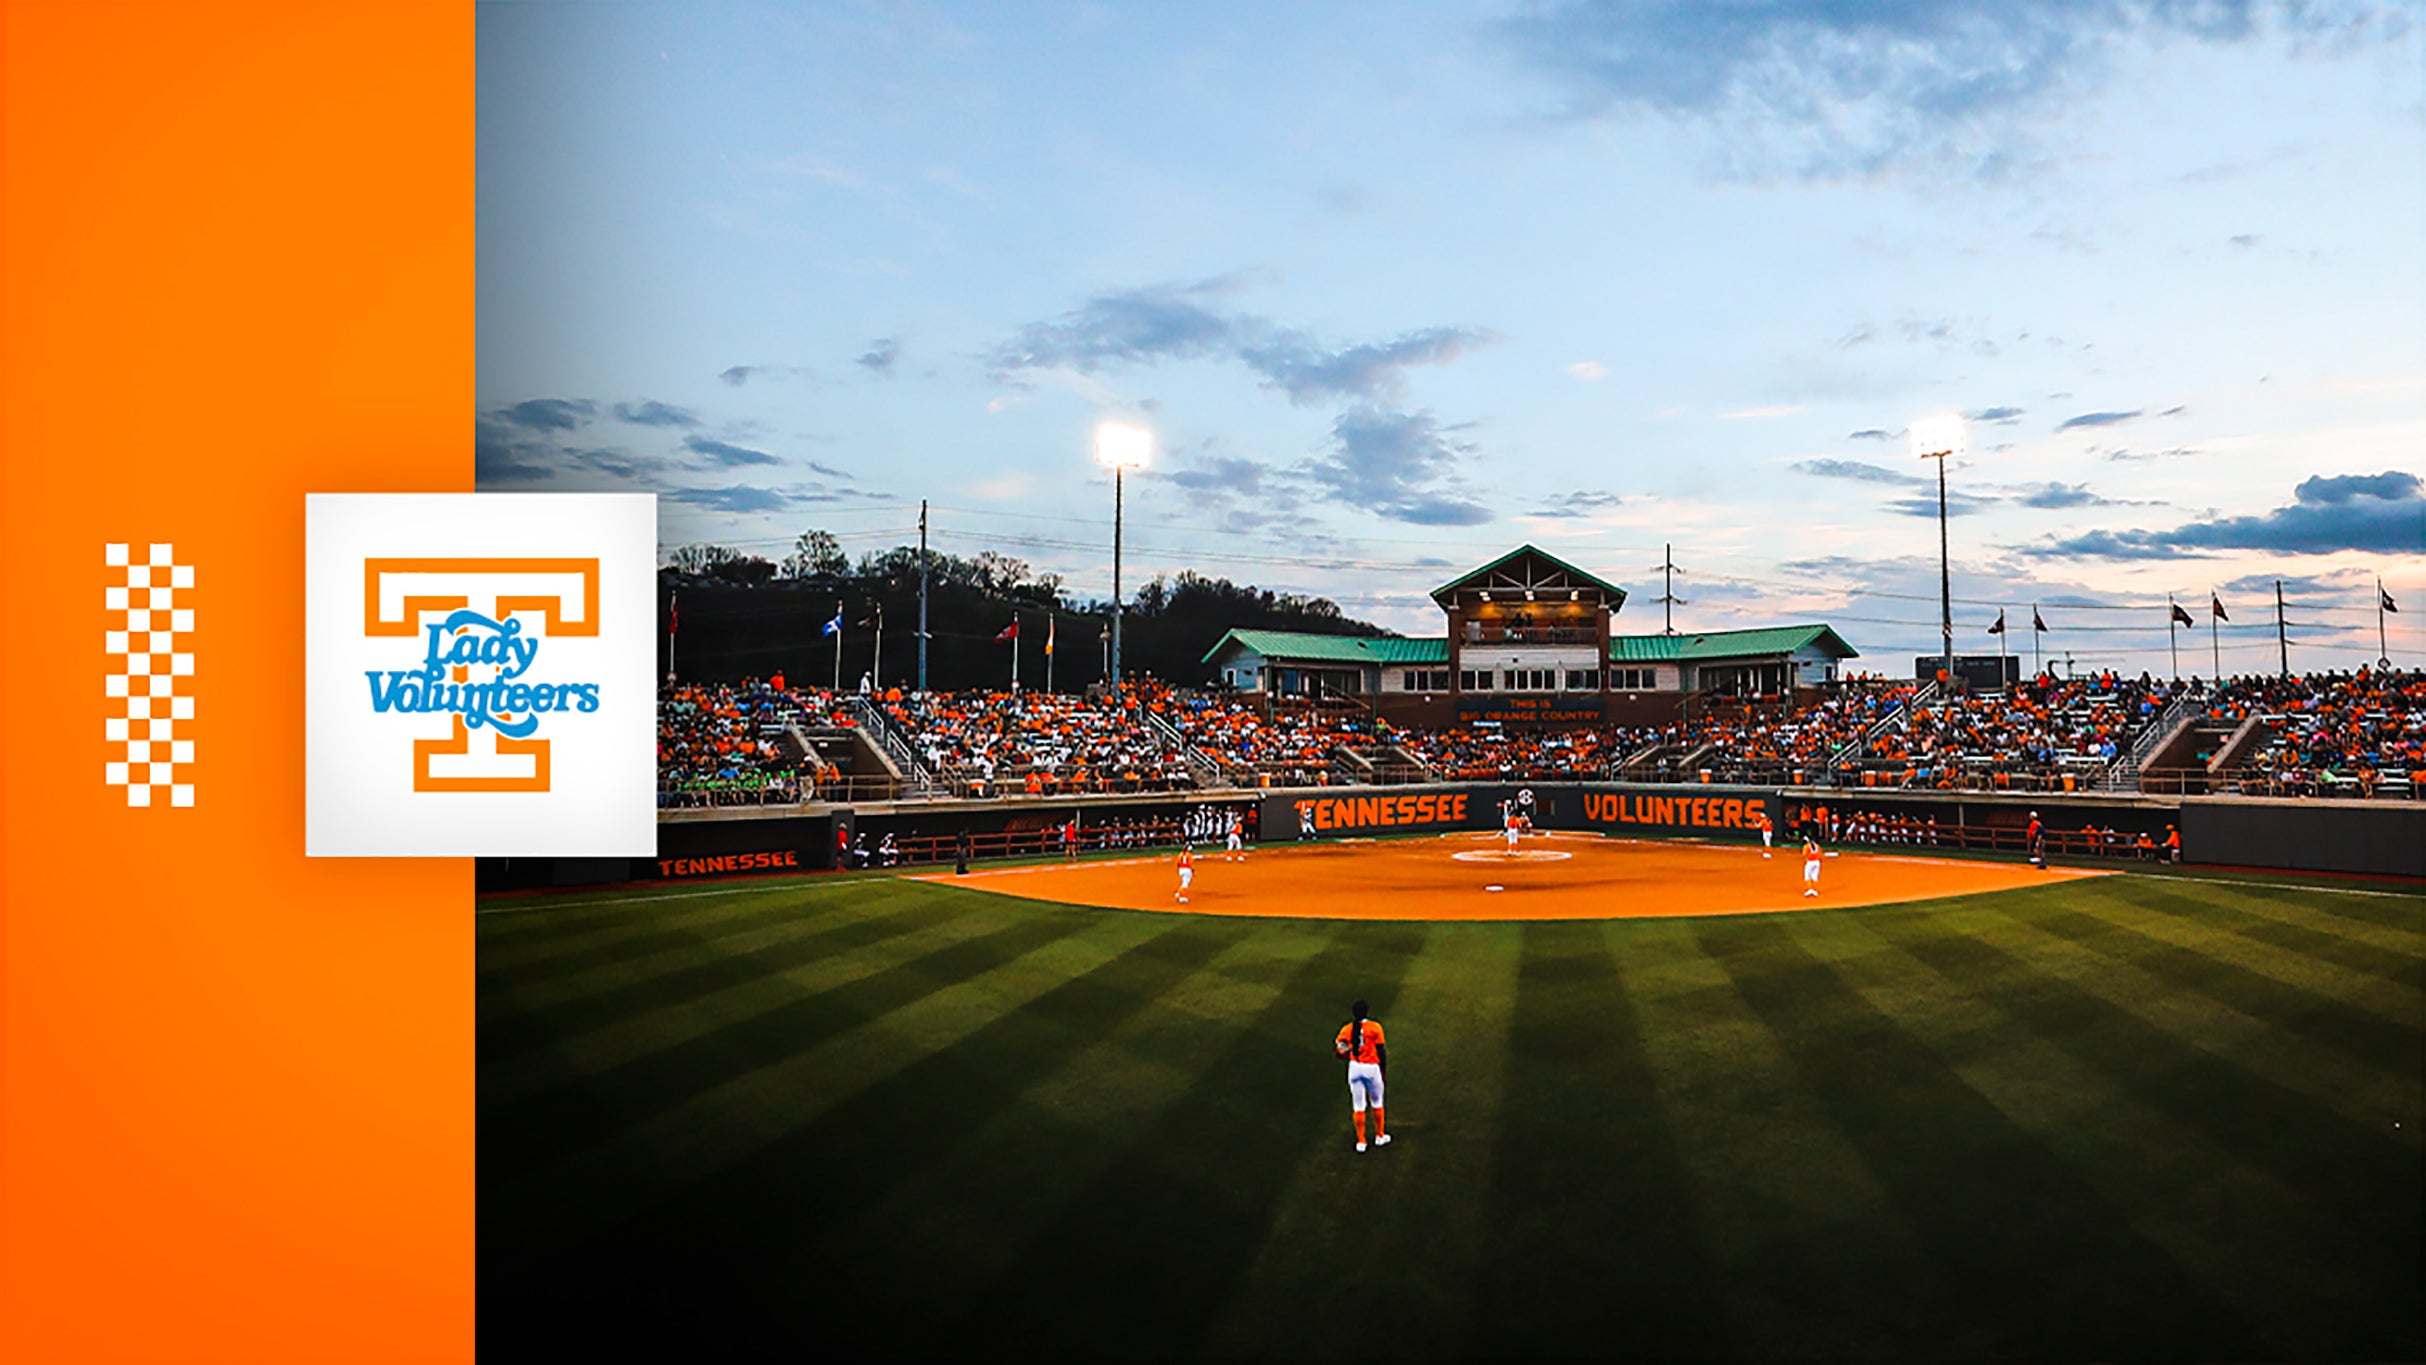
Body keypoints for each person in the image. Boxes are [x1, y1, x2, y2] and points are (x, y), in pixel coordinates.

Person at [1334, 999, 1389, 1153]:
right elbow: (1381, 1051)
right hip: (1371, 1067)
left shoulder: (1347, 1029)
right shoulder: (1374, 1027)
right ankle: (1380, 1136)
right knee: (1377, 1101)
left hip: (1354, 1068)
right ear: (1367, 1012)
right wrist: (1383, 1071)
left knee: (1358, 1105)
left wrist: (1350, 1053)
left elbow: (1339, 1051)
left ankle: (1361, 1141)